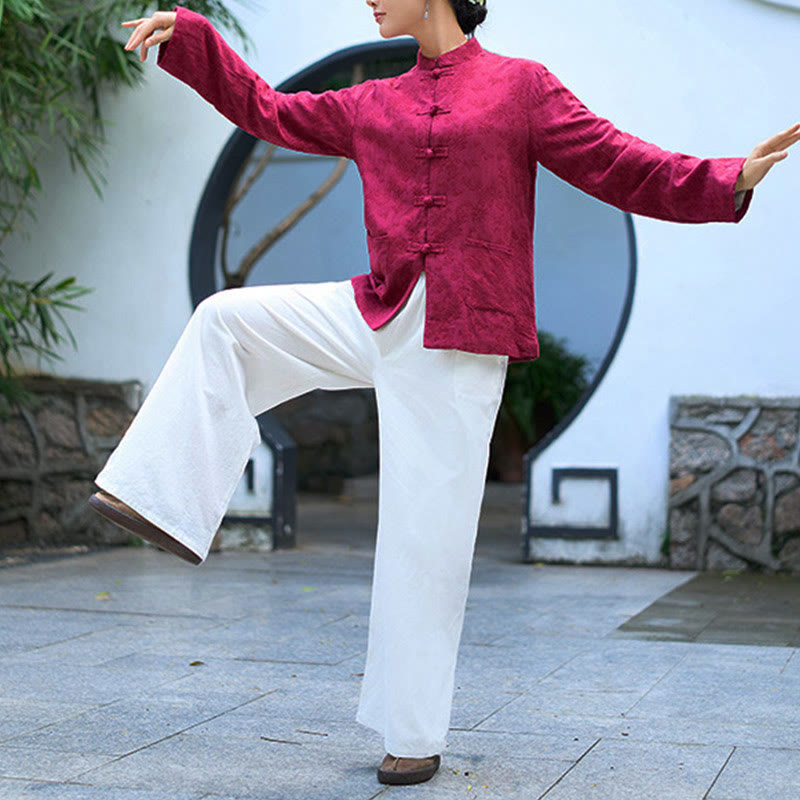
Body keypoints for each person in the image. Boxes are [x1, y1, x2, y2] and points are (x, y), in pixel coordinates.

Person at [88, 0, 799, 786]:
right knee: (225, 320)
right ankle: (161, 499)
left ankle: (414, 735)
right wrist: (194, 37)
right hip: (378, 309)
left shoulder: (520, 88)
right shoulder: (373, 101)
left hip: (463, 334)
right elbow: (269, 111)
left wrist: (727, 178)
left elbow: (614, 161)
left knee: (425, 543)